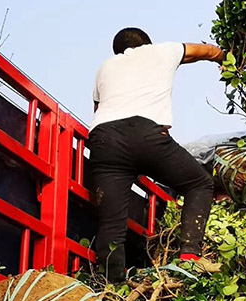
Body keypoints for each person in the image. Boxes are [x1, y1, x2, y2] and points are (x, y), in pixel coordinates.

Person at [88, 27, 224, 284]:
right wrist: (223, 59)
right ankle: (189, 257)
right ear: (147, 43)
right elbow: (203, 51)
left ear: (119, 51)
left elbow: (97, 109)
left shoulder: (105, 67)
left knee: (111, 221)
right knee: (200, 183)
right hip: (147, 136)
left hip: (105, 140)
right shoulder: (161, 51)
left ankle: (112, 286)